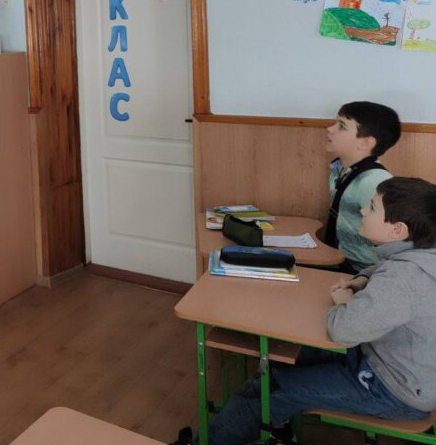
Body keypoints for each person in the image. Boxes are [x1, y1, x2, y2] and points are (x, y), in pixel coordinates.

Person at [173, 177, 436, 445]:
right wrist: (361, 280)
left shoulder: (402, 278)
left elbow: (342, 330)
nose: (363, 210)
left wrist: (344, 302)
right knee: (285, 356)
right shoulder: (422, 256)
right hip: (397, 367)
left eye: (372, 207)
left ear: (397, 230)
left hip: (394, 390)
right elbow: (381, 271)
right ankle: (269, 426)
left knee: (272, 391)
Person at [324, 102, 401, 272]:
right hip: (340, 260)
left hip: (364, 271)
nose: (330, 128)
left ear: (366, 143)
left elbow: (392, 241)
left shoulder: (373, 182)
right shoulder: (339, 171)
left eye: (342, 126)